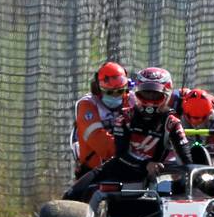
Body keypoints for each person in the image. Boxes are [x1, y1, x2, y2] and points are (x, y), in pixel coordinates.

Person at [65, 67, 193, 201]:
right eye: (145, 94)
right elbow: (120, 154)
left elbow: (187, 160)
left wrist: (186, 176)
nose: (149, 100)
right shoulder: (125, 118)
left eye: (155, 95)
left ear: (166, 94)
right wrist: (146, 164)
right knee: (71, 195)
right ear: (137, 92)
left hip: (156, 175)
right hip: (122, 169)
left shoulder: (172, 123)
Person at [72, 61, 133, 176]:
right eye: (109, 92)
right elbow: (101, 143)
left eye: (120, 91)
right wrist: (135, 153)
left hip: (131, 167)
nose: (115, 96)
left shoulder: (132, 100)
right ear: (98, 89)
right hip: (95, 171)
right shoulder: (87, 105)